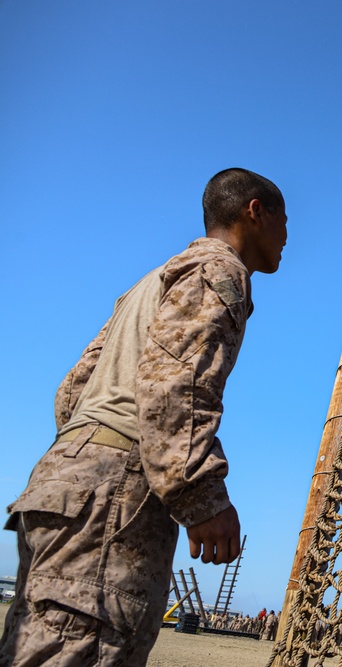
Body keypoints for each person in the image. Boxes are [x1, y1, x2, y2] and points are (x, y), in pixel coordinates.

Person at [0, 168, 288, 666]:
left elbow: (73, 389)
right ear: (254, 211)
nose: (289, 236)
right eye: (285, 220)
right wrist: (199, 495)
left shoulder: (152, 280)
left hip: (62, 483)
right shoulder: (218, 270)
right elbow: (175, 386)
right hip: (113, 495)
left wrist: (84, 465)